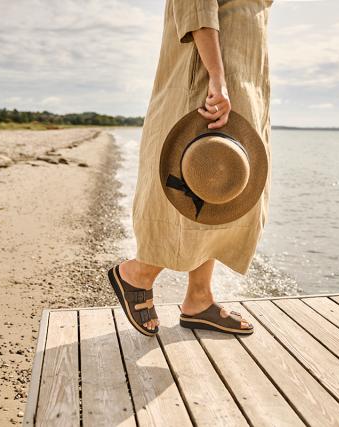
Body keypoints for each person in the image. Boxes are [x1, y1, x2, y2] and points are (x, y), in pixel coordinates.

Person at [108, 0, 273, 335]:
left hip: (243, 80)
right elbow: (196, 6)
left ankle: (199, 298)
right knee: (192, 180)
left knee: (220, 192)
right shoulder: (214, 77)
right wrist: (217, 76)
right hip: (208, 77)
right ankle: (138, 274)